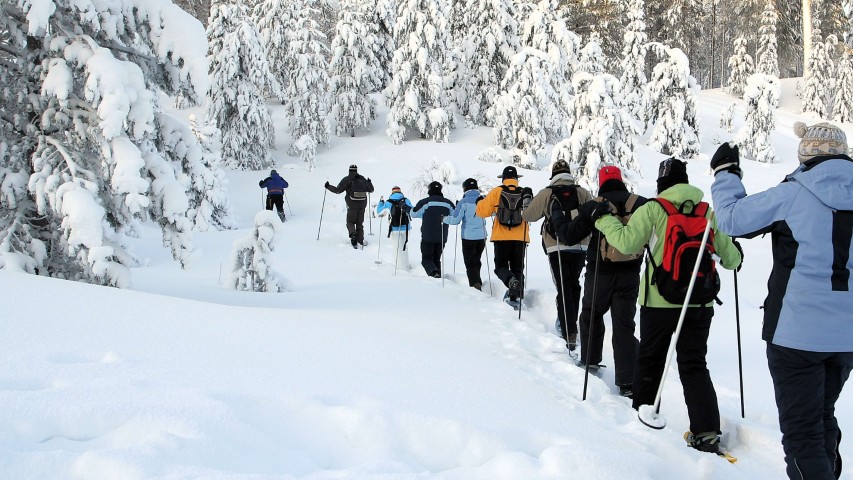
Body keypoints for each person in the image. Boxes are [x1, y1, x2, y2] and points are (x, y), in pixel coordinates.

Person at [711, 122, 853, 479]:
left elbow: (730, 219)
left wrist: (726, 174)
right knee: (822, 415)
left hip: (796, 331)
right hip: (846, 335)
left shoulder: (793, 194)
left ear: (806, 155)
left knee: (803, 432)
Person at [593, 158, 742, 454]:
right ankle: (706, 433)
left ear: (661, 185)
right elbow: (731, 260)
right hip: (699, 302)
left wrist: (603, 220)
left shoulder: (653, 209)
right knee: (694, 364)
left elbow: (626, 243)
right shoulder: (708, 212)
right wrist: (735, 251)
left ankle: (643, 421)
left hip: (659, 301)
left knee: (651, 360)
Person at [551, 166, 645, 396]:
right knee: (624, 323)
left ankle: (590, 362)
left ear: (601, 182)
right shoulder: (640, 203)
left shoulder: (595, 205)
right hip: (630, 273)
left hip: (600, 271)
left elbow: (569, 235)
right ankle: (627, 381)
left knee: (591, 315)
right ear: (621, 181)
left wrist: (557, 216)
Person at [522, 160, 592, 352]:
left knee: (563, 288)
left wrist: (527, 200)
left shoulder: (547, 193)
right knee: (574, 284)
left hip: (556, 247)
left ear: (554, 175)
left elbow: (528, 215)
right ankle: (572, 327)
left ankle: (568, 331)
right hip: (580, 246)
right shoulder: (582, 193)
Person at [476, 165, 532, 309]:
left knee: (500, 266)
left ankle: (510, 280)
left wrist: (479, 202)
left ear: (504, 178)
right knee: (518, 268)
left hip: (501, 237)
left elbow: (482, 212)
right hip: (520, 238)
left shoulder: (497, 192)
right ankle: (516, 296)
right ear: (516, 179)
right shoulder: (524, 193)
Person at [443, 178, 487, 290]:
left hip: (468, 237)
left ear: (465, 188)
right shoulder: (483, 200)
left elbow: (455, 220)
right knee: (477, 260)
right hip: (482, 237)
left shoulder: (463, 202)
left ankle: (475, 284)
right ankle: (477, 281)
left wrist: (444, 219)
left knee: (470, 262)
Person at [411, 181, 454, 278]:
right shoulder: (448, 203)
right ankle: (438, 278)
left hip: (428, 236)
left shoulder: (425, 202)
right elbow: (455, 217)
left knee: (426, 259)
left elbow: (414, 214)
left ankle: (434, 273)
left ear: (429, 190)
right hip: (442, 236)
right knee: (436, 259)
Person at [325, 164, 374, 248]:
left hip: (352, 205)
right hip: (362, 205)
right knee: (359, 224)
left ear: (349, 170)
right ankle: (360, 241)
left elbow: (338, 190)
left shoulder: (347, 179)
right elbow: (371, 190)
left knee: (350, 222)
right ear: (356, 170)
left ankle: (353, 234)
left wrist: (328, 186)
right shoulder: (362, 178)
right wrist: (369, 182)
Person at [376, 186, 413, 270]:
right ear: (400, 192)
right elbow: (412, 211)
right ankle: (406, 265)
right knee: (404, 246)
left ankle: (400, 268)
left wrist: (381, 202)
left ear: (392, 193)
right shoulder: (406, 200)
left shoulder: (388, 202)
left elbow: (379, 212)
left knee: (397, 248)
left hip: (394, 229)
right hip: (406, 228)